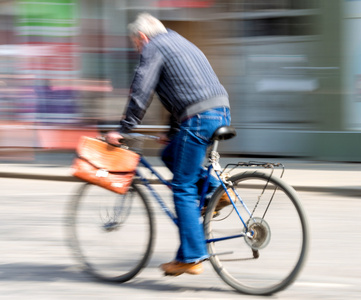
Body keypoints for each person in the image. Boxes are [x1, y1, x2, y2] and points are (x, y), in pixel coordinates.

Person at [106, 13, 232, 276]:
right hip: (220, 110)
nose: (138, 49)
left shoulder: (153, 46)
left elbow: (142, 89)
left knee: (182, 187)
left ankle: (192, 257)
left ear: (142, 37)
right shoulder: (179, 41)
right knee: (169, 155)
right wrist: (172, 131)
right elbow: (182, 88)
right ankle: (217, 192)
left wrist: (123, 129)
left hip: (198, 118)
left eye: (136, 44)